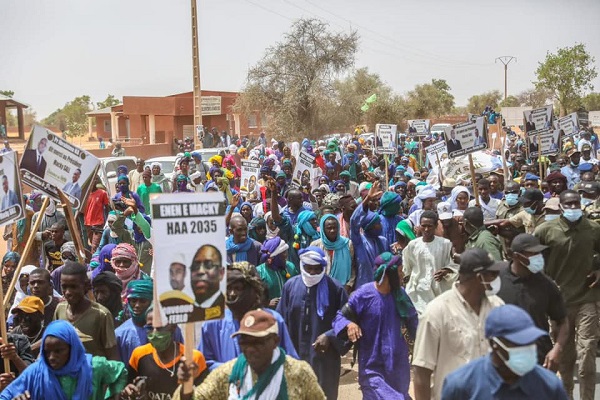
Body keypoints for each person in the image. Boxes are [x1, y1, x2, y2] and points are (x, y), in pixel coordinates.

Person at [413, 248, 506, 400]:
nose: (497, 279)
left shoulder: (497, 307)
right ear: (478, 277)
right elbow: (421, 371)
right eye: (493, 274)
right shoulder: (437, 312)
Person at [534, 190, 600, 400]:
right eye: (568, 204)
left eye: (575, 203)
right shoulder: (546, 231)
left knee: (588, 351)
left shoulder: (593, 228)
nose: (573, 207)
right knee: (565, 355)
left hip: (587, 297)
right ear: (561, 206)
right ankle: (566, 395)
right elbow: (534, 259)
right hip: (560, 302)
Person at [175, 309, 325, 400]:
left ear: (275, 341)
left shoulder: (298, 372)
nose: (250, 349)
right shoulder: (229, 373)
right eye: (245, 342)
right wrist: (185, 386)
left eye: (258, 342)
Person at [333, 252, 418, 400]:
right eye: (399, 271)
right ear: (388, 275)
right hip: (372, 367)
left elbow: (415, 324)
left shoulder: (401, 295)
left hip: (398, 367)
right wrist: (349, 324)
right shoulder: (363, 295)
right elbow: (339, 317)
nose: (402, 274)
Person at [442, 305, 569, 399]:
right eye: (518, 343)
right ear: (494, 344)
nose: (526, 348)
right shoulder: (460, 385)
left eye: (530, 342)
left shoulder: (549, 385)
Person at [198, 262, 299, 371]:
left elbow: (290, 362)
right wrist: (234, 370)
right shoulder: (213, 323)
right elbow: (203, 364)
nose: (231, 294)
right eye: (228, 288)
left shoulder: (273, 320)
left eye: (238, 288)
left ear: (253, 290)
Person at [276, 247, 348, 399]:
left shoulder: (335, 288)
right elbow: (280, 322)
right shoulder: (290, 287)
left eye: (317, 269)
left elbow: (347, 321)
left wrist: (330, 335)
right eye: (309, 269)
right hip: (295, 357)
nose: (313, 273)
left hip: (325, 359)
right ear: (302, 266)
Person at [0, 320, 128, 400]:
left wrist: (113, 396)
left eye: (58, 351)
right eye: (47, 351)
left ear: (72, 348)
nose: (51, 357)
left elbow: (120, 371)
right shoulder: (37, 372)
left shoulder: (94, 367)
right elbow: (5, 395)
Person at [496, 234, 568, 369]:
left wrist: (557, 349)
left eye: (539, 253)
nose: (538, 257)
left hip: (538, 359)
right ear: (516, 256)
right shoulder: (496, 280)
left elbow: (563, 322)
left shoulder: (546, 284)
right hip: (504, 359)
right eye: (533, 254)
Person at [121, 308, 207, 399]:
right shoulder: (139, 355)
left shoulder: (193, 358)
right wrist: (129, 391)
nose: (154, 333)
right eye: (150, 327)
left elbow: (204, 394)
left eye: (160, 327)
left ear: (173, 327)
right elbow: (129, 386)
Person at [54, 261, 119, 360]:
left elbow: (112, 355)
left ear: (86, 286)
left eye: (73, 287)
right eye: (64, 287)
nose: (67, 292)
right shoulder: (60, 309)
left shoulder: (101, 314)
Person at [402, 211, 457, 315]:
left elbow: (454, 265)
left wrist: (446, 270)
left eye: (430, 226)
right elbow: (407, 267)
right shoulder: (412, 245)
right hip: (418, 292)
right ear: (419, 226)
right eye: (423, 226)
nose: (426, 229)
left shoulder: (445, 244)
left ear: (436, 226)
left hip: (439, 290)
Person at [160, 244, 226, 322]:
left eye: (208, 265)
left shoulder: (225, 310)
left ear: (221, 273)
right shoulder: (187, 308)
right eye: (195, 266)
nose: (200, 271)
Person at [310, 214, 356, 291]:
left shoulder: (347, 244)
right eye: (329, 228)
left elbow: (353, 268)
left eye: (335, 228)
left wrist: (349, 285)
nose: (332, 230)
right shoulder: (315, 245)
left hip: (343, 289)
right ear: (323, 229)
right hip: (321, 288)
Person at [84, 178, 110, 253]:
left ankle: (93, 263)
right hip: (88, 224)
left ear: (95, 182)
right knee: (93, 244)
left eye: (93, 181)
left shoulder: (102, 193)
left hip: (98, 223)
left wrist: (107, 222)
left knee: (95, 246)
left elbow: (107, 208)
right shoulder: (86, 194)